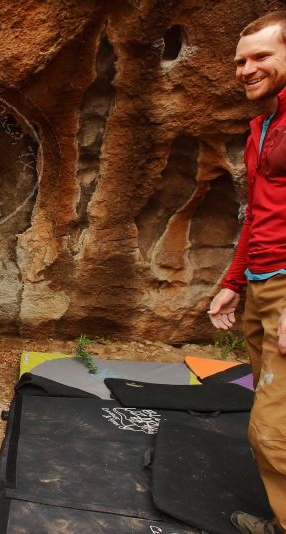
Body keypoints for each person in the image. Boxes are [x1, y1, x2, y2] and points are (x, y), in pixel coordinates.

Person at [208, 11, 286, 534]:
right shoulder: (261, 126)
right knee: (269, 409)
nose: (246, 68)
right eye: (240, 60)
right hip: (262, 284)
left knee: (273, 432)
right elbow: (258, 212)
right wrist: (234, 282)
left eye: (262, 56)